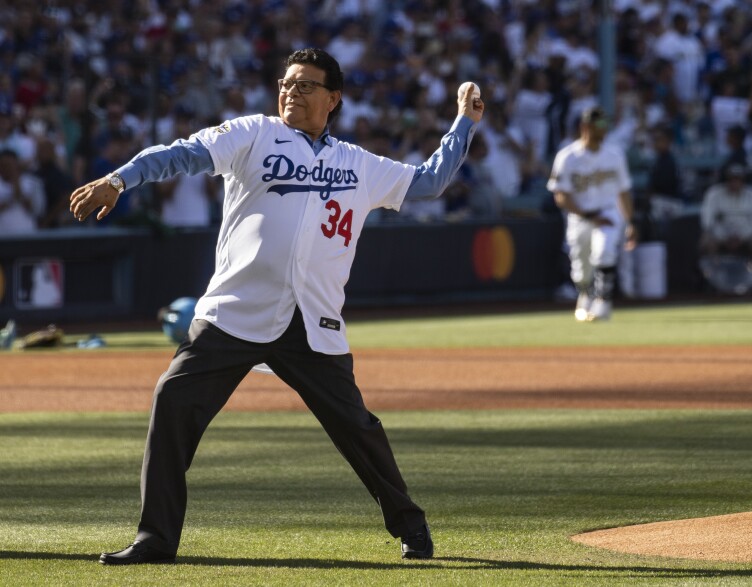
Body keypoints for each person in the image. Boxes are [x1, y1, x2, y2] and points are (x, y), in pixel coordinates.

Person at [69, 48, 483, 565]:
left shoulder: (358, 164)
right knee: (172, 401)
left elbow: (430, 181)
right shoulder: (253, 134)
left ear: (333, 98)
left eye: (307, 85)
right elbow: (181, 153)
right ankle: (155, 538)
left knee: (358, 430)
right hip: (234, 313)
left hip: (313, 322)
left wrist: (463, 123)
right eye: (287, 83)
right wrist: (118, 179)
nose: (292, 91)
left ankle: (411, 525)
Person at [547, 107, 635, 323]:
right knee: (581, 268)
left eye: (605, 125)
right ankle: (585, 296)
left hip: (608, 212)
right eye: (599, 125)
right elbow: (561, 196)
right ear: (585, 127)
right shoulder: (567, 156)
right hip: (580, 216)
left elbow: (623, 191)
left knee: (604, 252)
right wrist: (587, 215)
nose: (603, 130)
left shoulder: (614, 154)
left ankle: (603, 303)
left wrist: (631, 222)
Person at [699, 164, 752, 266]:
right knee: (705, 242)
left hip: (746, 235)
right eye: (731, 179)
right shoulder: (713, 194)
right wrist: (725, 237)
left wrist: (741, 237)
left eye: (738, 179)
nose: (734, 183)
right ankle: (713, 276)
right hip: (721, 236)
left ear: (743, 180)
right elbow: (707, 222)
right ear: (726, 180)